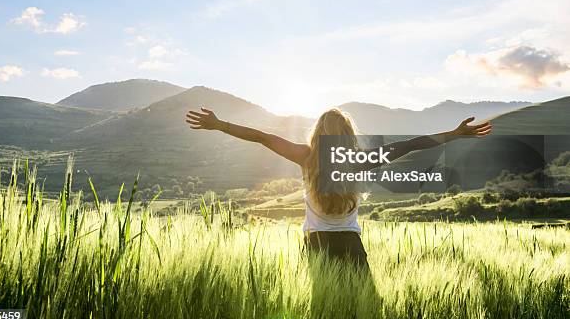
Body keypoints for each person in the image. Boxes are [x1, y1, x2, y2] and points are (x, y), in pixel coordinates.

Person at [184, 107, 492, 269]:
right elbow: (408, 146)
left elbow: (262, 137)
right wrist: (454, 134)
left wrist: (221, 125)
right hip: (351, 245)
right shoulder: (359, 160)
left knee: (322, 312)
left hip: (315, 244)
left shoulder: (305, 157)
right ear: (347, 135)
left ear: (317, 133)